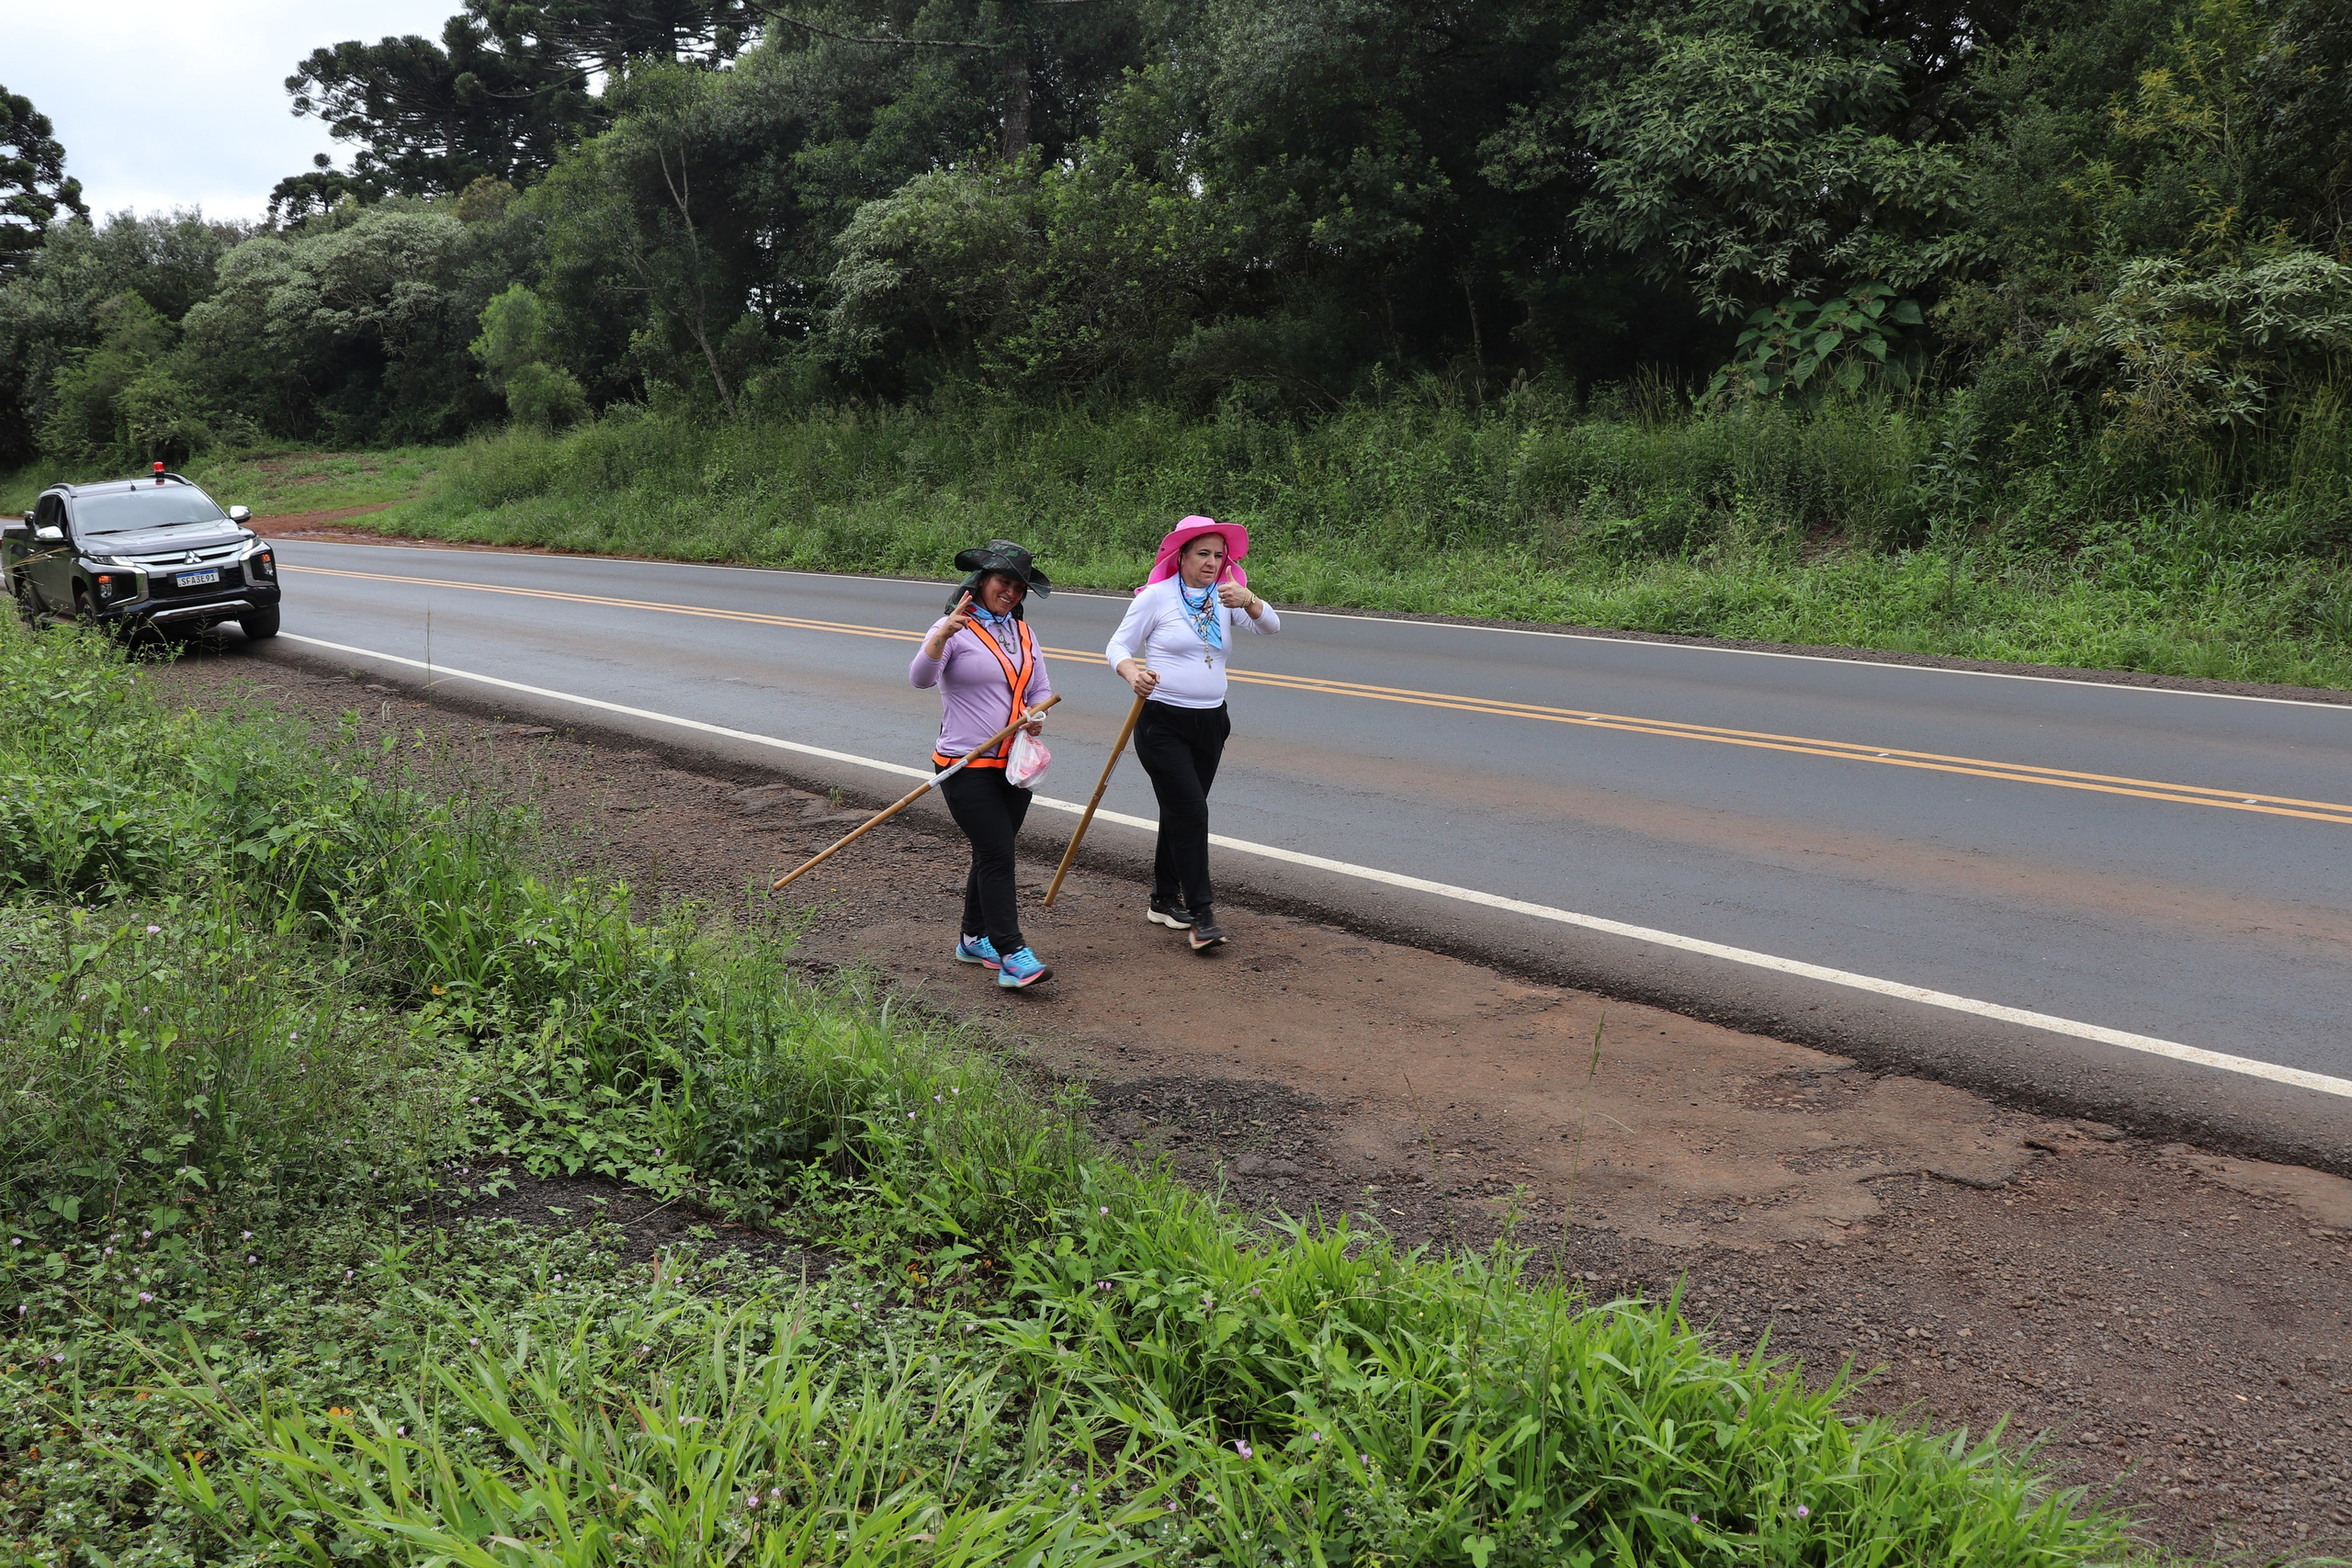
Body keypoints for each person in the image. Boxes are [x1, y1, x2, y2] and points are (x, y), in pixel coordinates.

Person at [1105, 516, 1280, 951]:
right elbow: (1117, 646)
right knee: (1192, 812)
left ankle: (1164, 900)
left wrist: (1250, 599)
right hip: (1162, 721)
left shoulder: (1227, 596)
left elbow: (1271, 626)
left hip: (1212, 721)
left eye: (1219, 555)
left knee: (1183, 809)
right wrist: (1131, 673)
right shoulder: (1157, 598)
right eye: (1203, 553)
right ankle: (1202, 915)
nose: (1212, 562)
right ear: (1180, 555)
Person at [910, 540, 1055, 988]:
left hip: (1013, 765)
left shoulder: (1023, 633)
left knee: (991, 852)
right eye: (1002, 583)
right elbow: (919, 678)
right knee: (998, 854)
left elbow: (1040, 690)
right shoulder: (955, 627)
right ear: (981, 582)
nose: (1010, 593)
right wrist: (941, 637)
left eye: (1017, 586)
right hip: (963, 765)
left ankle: (973, 938)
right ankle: (1012, 953)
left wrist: (1036, 716)